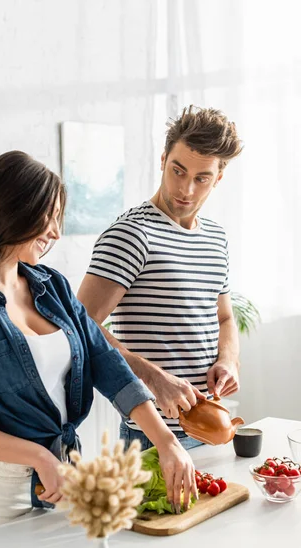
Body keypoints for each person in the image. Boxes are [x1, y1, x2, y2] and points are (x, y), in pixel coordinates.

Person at [0, 151, 197, 542]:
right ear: (11, 212)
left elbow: (105, 362)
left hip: (63, 481)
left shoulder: (54, 287)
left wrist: (166, 440)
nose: (55, 233)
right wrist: (39, 456)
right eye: (47, 218)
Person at [77, 106, 243, 451]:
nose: (186, 189)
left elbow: (225, 317)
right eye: (177, 170)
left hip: (210, 428)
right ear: (163, 159)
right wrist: (151, 376)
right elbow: (81, 326)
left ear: (219, 178)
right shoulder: (132, 235)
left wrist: (227, 359)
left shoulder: (216, 238)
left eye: (202, 178)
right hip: (150, 435)